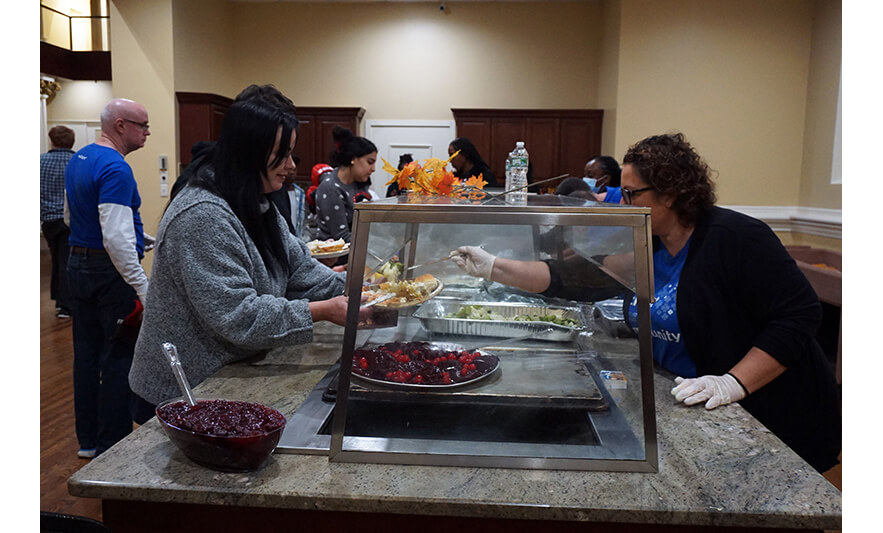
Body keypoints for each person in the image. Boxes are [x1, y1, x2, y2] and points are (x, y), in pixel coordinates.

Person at [452, 132, 840, 474]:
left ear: (671, 193)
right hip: (692, 400)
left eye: (632, 194)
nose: (623, 203)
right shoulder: (648, 242)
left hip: (770, 416)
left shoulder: (736, 239)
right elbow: (568, 278)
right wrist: (492, 267)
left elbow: (799, 315)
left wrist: (732, 382)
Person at [128, 94, 356, 418]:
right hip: (182, 391)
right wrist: (322, 311)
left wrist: (357, 286)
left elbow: (299, 268)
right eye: (283, 155)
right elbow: (238, 315)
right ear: (250, 153)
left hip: (227, 376)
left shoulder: (254, 200)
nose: (292, 166)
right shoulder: (203, 215)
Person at [65, 98, 154, 459]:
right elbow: (115, 238)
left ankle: (87, 442)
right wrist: (142, 287)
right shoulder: (116, 168)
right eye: (143, 125)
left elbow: (73, 218)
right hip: (108, 273)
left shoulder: (80, 158)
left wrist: (140, 238)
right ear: (121, 125)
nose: (148, 132)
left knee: (85, 356)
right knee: (119, 357)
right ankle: (112, 445)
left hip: (77, 265)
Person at [314, 126, 378, 243]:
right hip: (337, 258)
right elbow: (342, 237)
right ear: (353, 159)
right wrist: (376, 248)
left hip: (358, 248)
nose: (373, 169)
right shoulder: (331, 189)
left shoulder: (360, 183)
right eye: (370, 162)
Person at [41, 125, 76, 318]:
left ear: (52, 141)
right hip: (71, 220)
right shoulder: (78, 161)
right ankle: (67, 304)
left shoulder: (39, 162)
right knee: (67, 260)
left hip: (48, 220)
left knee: (56, 258)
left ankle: (58, 299)